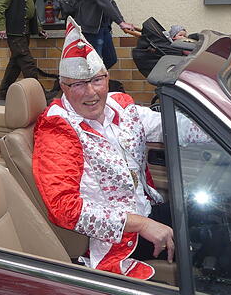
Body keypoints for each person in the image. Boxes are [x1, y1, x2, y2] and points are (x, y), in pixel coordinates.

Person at [32, 18, 197, 279]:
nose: (91, 93)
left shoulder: (120, 106)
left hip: (149, 208)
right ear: (63, 86)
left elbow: (171, 126)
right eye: (77, 84)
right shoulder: (58, 129)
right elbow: (64, 207)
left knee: (227, 215)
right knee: (230, 249)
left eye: (97, 80)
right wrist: (141, 224)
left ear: (107, 78)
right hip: (121, 241)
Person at [0, 0, 48, 100]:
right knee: (27, 63)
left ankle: (3, 93)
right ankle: (40, 94)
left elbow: (31, 10)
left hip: (24, 31)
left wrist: (39, 28)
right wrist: (1, 26)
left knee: (15, 64)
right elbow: (0, 5)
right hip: (15, 31)